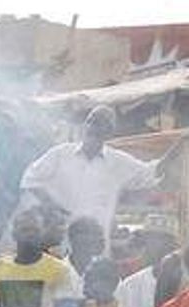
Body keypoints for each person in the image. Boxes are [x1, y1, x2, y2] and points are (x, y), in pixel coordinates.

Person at [16, 106, 167, 248]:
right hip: (61, 242)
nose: (93, 127)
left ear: (109, 132)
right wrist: (51, 206)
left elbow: (151, 173)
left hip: (96, 245)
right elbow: (30, 179)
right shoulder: (61, 154)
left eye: (100, 123)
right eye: (90, 121)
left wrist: (179, 149)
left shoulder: (118, 162)